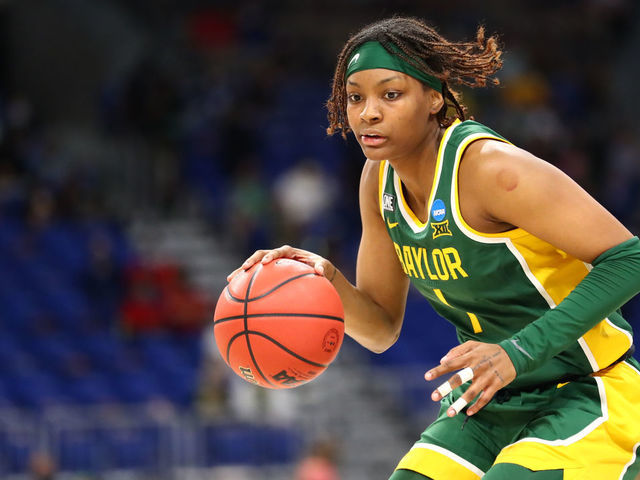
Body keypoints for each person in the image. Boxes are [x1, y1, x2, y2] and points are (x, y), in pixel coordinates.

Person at [228, 17, 640, 480]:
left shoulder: (491, 170)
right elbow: (380, 328)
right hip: (488, 400)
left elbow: (630, 257)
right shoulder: (377, 181)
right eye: (355, 97)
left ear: (434, 98)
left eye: (390, 94)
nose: (368, 113)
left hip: (586, 389)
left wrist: (518, 352)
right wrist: (325, 278)